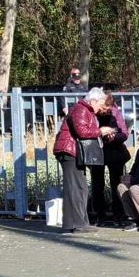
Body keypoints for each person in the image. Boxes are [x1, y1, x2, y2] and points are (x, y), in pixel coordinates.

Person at [53, 87, 110, 234]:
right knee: (76, 188)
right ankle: (77, 224)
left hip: (71, 152)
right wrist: (100, 131)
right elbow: (82, 132)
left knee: (79, 188)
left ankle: (77, 223)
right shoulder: (81, 110)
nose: (100, 108)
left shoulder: (82, 109)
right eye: (100, 104)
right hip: (69, 152)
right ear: (93, 101)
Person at [89, 93, 130, 226]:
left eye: (107, 108)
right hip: (97, 151)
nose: (105, 110)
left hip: (114, 151)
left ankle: (119, 215)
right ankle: (99, 215)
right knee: (97, 185)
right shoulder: (92, 112)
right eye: (103, 107)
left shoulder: (115, 112)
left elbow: (124, 133)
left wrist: (114, 137)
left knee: (116, 184)